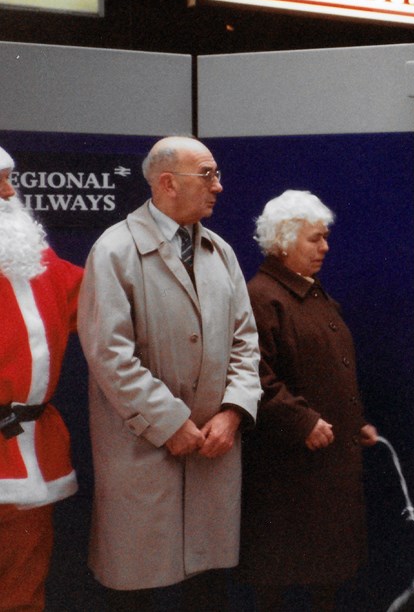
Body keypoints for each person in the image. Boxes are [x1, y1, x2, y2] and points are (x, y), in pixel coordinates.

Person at [77, 136, 260, 610]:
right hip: (144, 451)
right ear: (167, 183)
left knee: (206, 591)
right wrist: (171, 423)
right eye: (208, 175)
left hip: (213, 451)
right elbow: (108, 353)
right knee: (142, 587)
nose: (219, 186)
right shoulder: (114, 251)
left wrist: (234, 412)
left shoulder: (221, 253)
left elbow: (246, 342)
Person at [239, 190, 379, 612]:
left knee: (325, 578)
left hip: (326, 460)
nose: (325, 247)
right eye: (314, 239)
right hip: (287, 466)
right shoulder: (262, 297)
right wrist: (301, 423)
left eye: (324, 237)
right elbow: (254, 376)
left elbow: (324, 371)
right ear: (283, 241)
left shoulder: (309, 293)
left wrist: (353, 423)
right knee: (278, 580)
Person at [0, 146, 84, 612]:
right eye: (0, 182)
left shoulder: (33, 258)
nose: (11, 193)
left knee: (25, 589)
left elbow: (98, 296)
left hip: (30, 453)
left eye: (11, 179)